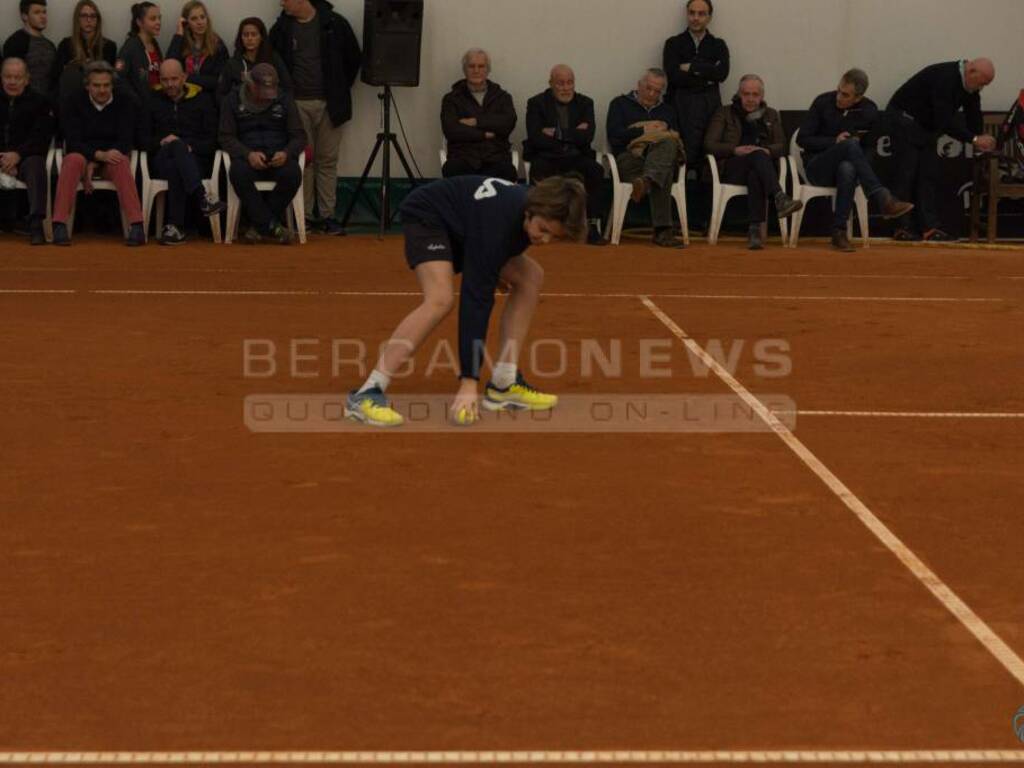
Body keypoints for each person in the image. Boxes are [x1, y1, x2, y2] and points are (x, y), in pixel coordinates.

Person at [344, 174, 587, 428]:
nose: (544, 240)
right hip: (430, 216)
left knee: (530, 276)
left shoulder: (528, 211)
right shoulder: (500, 223)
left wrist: (490, 266)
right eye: (543, 230)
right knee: (440, 299)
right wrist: (469, 381)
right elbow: (475, 302)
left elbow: (490, 245)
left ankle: (504, 383)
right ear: (531, 210)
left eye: (553, 236)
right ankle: (368, 392)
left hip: (468, 227)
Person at [269, 0, 361, 236]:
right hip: (296, 104)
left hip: (331, 104)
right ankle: (306, 216)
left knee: (328, 160)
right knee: (304, 161)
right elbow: (272, 63)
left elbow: (353, 59)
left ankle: (328, 215)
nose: (281, 2)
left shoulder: (334, 24)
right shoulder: (280, 29)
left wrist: (338, 87)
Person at [797, 69, 914, 251]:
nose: (838, 97)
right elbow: (802, 139)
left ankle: (839, 232)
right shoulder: (822, 102)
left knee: (848, 168)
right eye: (838, 90)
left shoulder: (868, 111)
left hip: (847, 172)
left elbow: (869, 148)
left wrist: (859, 167)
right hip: (817, 166)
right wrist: (833, 141)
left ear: (858, 98)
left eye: (845, 95)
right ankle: (880, 195)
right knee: (850, 145)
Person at [884, 58, 996, 241]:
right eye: (982, 83)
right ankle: (901, 227)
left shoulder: (970, 86)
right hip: (904, 119)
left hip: (926, 126)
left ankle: (929, 227)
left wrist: (980, 137)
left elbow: (973, 112)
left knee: (928, 174)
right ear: (971, 71)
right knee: (906, 173)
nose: (982, 87)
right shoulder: (945, 78)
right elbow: (944, 118)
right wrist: (974, 139)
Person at [52, 60, 145, 246]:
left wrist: (99, 160)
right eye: (96, 85)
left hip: (111, 157)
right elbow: (73, 140)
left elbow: (126, 139)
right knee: (71, 160)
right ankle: (59, 224)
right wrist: (95, 156)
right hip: (82, 157)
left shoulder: (124, 102)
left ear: (112, 85)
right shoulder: (73, 101)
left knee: (122, 162)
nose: (102, 90)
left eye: (106, 85)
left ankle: (136, 225)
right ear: (87, 85)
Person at [705, 74, 802, 250]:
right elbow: (709, 144)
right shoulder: (724, 112)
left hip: (762, 170)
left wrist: (767, 150)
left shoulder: (770, 114)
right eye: (746, 94)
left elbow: (782, 146)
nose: (750, 99)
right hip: (733, 166)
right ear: (739, 94)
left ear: (762, 96)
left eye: (755, 94)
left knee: (756, 169)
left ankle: (754, 230)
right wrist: (735, 150)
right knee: (757, 159)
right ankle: (779, 197)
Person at [219, 63, 306, 245]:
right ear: (251, 85)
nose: (267, 98)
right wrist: (247, 153)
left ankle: (259, 226)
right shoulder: (232, 100)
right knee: (237, 173)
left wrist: (286, 153)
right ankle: (272, 226)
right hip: (247, 158)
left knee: (293, 174)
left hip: (278, 157)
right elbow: (225, 137)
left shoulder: (285, 99)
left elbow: (299, 136)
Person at [663, 0, 729, 229]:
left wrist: (690, 67)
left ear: (709, 17)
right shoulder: (673, 43)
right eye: (692, 13)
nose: (696, 18)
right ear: (687, 15)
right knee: (679, 158)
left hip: (710, 109)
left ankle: (703, 220)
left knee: (706, 160)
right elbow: (673, 76)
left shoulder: (718, 44)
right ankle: (672, 221)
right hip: (679, 108)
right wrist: (706, 73)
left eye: (701, 13)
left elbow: (722, 73)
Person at [524, 64, 606, 246]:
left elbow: (587, 137)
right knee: (538, 169)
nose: (566, 88)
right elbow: (536, 137)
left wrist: (557, 133)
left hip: (577, 155)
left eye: (570, 83)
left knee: (595, 170)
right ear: (551, 83)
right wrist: (573, 134)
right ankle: (536, 226)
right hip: (547, 156)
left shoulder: (585, 103)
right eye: (560, 83)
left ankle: (592, 226)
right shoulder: (536, 103)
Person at [146, 59, 224, 245]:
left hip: (195, 160)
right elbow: (142, 140)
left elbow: (214, 140)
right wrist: (162, 141)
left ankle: (175, 228)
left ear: (184, 77)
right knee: (174, 147)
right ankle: (203, 197)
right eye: (165, 80)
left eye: (174, 79)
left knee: (177, 163)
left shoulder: (203, 100)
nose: (170, 84)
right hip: (160, 159)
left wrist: (190, 146)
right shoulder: (152, 100)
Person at [606, 68, 685, 249]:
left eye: (657, 91)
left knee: (668, 145)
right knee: (662, 171)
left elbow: (677, 137)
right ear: (639, 85)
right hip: (629, 160)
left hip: (658, 161)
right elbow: (614, 136)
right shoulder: (619, 104)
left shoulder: (667, 110)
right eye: (648, 88)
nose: (651, 94)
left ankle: (647, 180)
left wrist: (664, 129)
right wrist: (644, 130)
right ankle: (663, 231)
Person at [0, 57, 56, 245]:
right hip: (1, 156)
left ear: (27, 79)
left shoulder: (40, 102)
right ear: (1, 78)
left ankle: (35, 224)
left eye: (17, 77)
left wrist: (17, 156)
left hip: (25, 157)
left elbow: (41, 138)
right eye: (8, 77)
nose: (12, 82)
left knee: (36, 165)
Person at [441, 48, 518, 183]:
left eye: (481, 66)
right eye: (471, 66)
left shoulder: (502, 97)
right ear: (465, 70)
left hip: (496, 157)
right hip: (463, 158)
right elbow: (451, 130)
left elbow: (507, 123)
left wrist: (476, 122)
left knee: (507, 172)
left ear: (487, 70)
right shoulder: (452, 99)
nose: (476, 70)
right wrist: (484, 134)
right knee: (452, 170)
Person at [218, 17, 292, 100]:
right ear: (241, 38)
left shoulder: (273, 58)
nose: (249, 38)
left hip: (270, 107)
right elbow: (223, 92)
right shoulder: (233, 63)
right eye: (246, 35)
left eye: (254, 34)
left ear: (261, 37)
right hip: (242, 109)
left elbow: (287, 86)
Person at [166, 1, 228, 96]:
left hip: (209, 98)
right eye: (194, 19)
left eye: (202, 17)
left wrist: (187, 78)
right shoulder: (181, 42)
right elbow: (169, 68)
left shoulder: (217, 44)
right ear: (186, 22)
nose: (200, 22)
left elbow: (219, 80)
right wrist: (179, 34)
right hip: (183, 97)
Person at [2, 0, 59, 101]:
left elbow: (54, 79)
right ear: (25, 16)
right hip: (23, 106)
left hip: (47, 106)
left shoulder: (50, 45)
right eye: (37, 12)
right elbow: (10, 79)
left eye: (44, 12)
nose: (43, 16)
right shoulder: (15, 42)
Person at [117, 2, 163, 107]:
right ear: (139, 22)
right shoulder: (130, 47)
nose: (158, 22)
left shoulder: (154, 43)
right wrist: (136, 99)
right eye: (153, 19)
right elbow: (118, 78)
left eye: (159, 18)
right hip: (138, 108)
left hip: (155, 103)